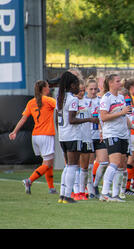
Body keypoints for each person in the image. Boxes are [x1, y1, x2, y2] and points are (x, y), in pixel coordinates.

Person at [9, 80, 57, 194]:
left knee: (47, 162)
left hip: (35, 136)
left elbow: (23, 118)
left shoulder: (31, 102)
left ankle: (51, 188)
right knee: (47, 163)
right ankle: (29, 181)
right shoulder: (49, 100)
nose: (49, 89)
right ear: (44, 89)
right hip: (46, 135)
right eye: (48, 87)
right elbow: (61, 106)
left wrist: (14, 131)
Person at [56, 71, 95, 204]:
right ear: (71, 85)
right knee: (72, 166)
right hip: (73, 136)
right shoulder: (73, 99)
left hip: (63, 136)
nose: (78, 88)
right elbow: (72, 120)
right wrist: (89, 119)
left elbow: (58, 119)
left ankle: (62, 195)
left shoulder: (60, 98)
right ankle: (67, 196)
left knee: (68, 167)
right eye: (77, 85)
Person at [99, 74, 134, 202]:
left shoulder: (121, 97)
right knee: (114, 162)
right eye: (117, 81)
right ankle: (104, 193)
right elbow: (104, 117)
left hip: (123, 134)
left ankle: (115, 194)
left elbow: (124, 116)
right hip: (112, 133)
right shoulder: (106, 98)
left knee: (121, 165)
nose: (120, 83)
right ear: (110, 83)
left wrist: (132, 125)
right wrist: (121, 112)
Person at [74, 81, 97, 201]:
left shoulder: (88, 102)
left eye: (83, 90)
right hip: (76, 137)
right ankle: (75, 190)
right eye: (79, 90)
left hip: (87, 136)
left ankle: (83, 191)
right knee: (74, 165)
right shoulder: (72, 102)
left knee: (85, 166)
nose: (81, 92)